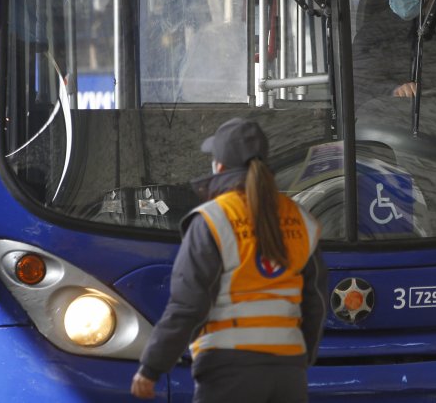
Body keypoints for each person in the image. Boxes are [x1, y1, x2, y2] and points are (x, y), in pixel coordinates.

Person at [130, 118, 328, 402]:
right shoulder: (300, 219)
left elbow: (189, 305)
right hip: (288, 371)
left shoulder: (214, 219)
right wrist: (299, 358)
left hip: (230, 369)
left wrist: (151, 367)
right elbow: (315, 302)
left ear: (219, 166)